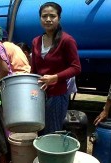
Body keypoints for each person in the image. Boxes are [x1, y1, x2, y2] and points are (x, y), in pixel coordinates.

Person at [31, 2, 81, 134]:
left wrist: (55, 77)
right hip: (39, 94)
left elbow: (76, 68)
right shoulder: (36, 41)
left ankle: (53, 155)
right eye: (44, 16)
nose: (48, 19)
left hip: (57, 95)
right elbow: (33, 70)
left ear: (59, 18)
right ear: (40, 18)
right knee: (39, 130)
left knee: (52, 132)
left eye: (52, 16)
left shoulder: (67, 40)